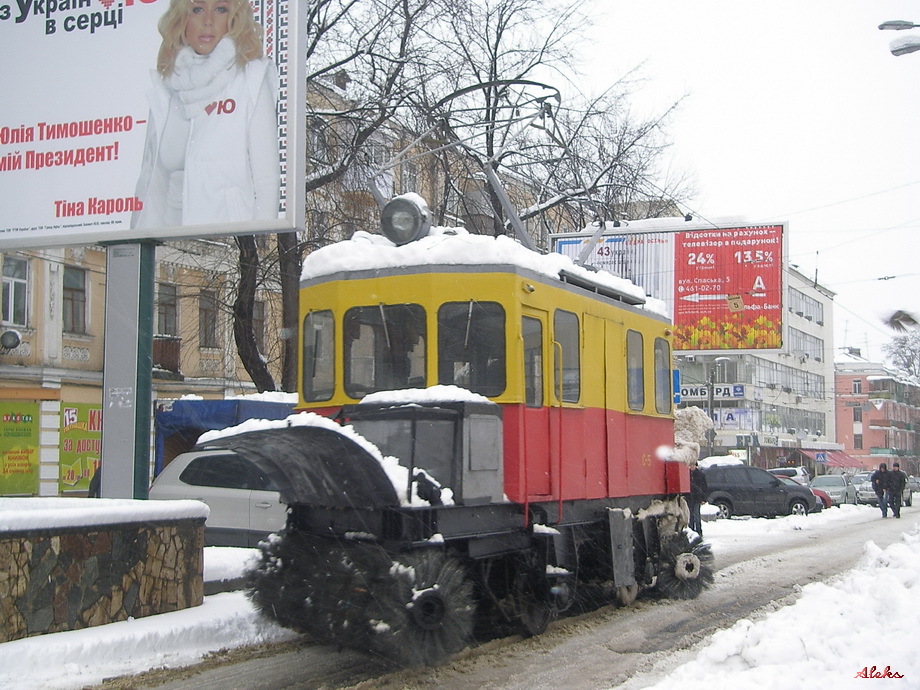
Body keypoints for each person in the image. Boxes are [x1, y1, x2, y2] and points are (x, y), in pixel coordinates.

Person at [132, 0, 279, 229]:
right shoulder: (167, 84)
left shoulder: (251, 78)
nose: (208, 21)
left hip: (227, 241)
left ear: (234, 20)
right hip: (164, 241)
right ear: (182, 19)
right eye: (197, 9)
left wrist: (258, 241)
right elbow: (152, 179)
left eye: (220, 9)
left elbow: (267, 180)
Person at [688, 461, 708, 536]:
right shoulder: (687, 474)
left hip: (697, 498)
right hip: (689, 498)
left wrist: (704, 498)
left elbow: (704, 487)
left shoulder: (700, 474)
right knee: (690, 516)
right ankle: (691, 530)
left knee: (696, 515)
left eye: (693, 465)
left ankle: (699, 531)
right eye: (690, 465)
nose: (692, 467)